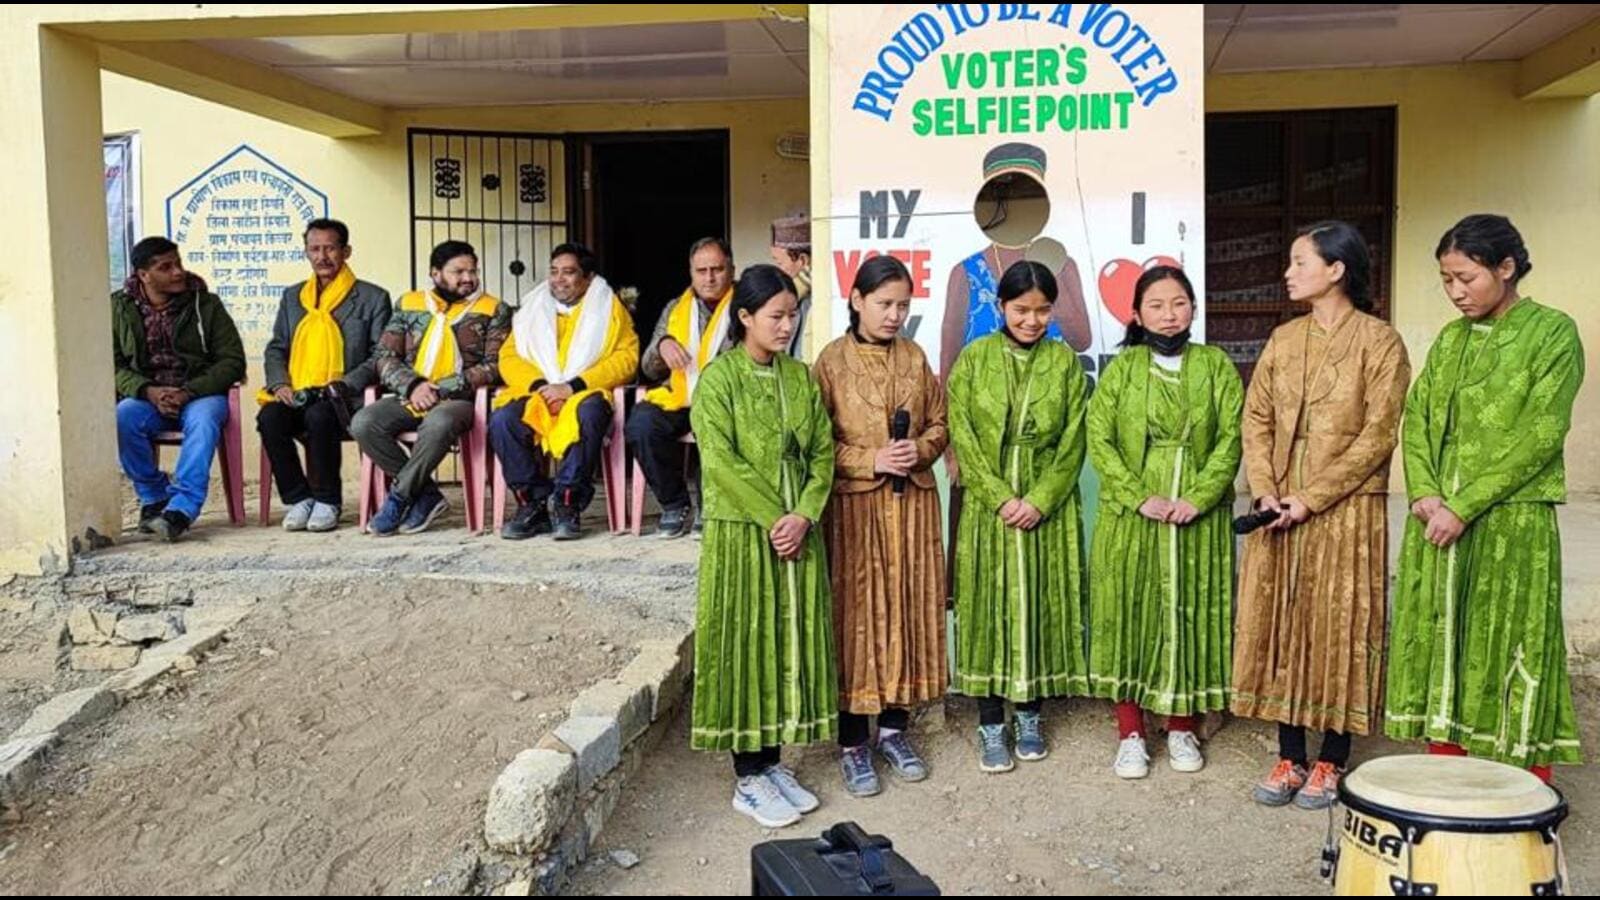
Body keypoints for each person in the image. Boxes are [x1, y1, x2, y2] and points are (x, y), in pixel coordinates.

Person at [1386, 214, 1584, 782]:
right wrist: (1423, 490)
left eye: (1466, 278)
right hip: (1435, 519)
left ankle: (1524, 788)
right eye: (1446, 280)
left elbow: (1542, 433)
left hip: (1511, 520)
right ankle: (1449, 779)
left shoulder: (1552, 332)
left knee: (1511, 641)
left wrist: (1463, 506)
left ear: (1505, 267)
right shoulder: (1449, 340)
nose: (1455, 293)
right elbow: (1418, 416)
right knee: (1443, 639)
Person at [1231, 221, 1410, 809]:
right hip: (1275, 506)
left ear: (1337, 270)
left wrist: (1310, 497)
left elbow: (1378, 434)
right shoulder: (1284, 339)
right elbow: (1255, 419)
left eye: (1299, 262)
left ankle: (1332, 758)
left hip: (1346, 507)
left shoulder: (1381, 342)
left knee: (1339, 625)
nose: (1288, 272)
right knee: (1281, 622)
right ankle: (1289, 753)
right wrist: (1265, 489)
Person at [689, 264, 837, 829]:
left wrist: (804, 514)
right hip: (745, 535)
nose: (786, 325)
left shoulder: (799, 378)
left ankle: (773, 762)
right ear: (745, 317)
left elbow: (822, 452)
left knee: (787, 640)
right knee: (748, 639)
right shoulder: (719, 381)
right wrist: (777, 518)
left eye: (792, 315)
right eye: (775, 316)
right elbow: (721, 463)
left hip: (796, 532)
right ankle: (747, 776)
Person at [1086, 265, 1242, 779]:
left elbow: (1232, 438)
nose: (1169, 315)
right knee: (1131, 610)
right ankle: (1130, 731)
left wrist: (1199, 496)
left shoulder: (1216, 366)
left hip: (1198, 515)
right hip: (1134, 515)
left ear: (1194, 309)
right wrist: (1137, 497)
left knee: (1190, 610)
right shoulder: (1122, 370)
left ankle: (1181, 726)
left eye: (1179, 303)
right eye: (1156, 305)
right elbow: (1100, 440)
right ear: (1136, 313)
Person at [812, 255, 949, 797]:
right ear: (856, 300)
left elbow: (940, 423)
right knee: (858, 615)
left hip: (911, 507)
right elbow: (818, 441)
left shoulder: (915, 359)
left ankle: (895, 730)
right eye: (885, 304)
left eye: (903, 306)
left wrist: (918, 449)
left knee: (909, 607)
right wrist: (871, 460)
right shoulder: (830, 363)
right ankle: (852, 743)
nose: (894, 315)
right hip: (855, 509)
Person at [947, 260, 1089, 773]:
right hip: (991, 511)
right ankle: (990, 722)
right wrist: (1002, 497)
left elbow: (1075, 439)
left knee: (1036, 604)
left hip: (1044, 509)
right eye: (1021, 309)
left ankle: (1029, 714)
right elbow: (962, 433)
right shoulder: (974, 359)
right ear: (1001, 307)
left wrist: (1041, 499)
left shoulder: (1064, 363)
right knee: (987, 607)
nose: (1032, 320)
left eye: (1042, 310)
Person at [351, 240, 508, 535]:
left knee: (438, 422)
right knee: (364, 422)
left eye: (472, 271)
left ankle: (398, 499)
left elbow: (495, 365)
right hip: (410, 394)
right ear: (435, 274)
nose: (468, 278)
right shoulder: (409, 304)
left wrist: (440, 388)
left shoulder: (493, 309)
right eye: (458, 271)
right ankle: (426, 495)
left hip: (461, 400)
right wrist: (413, 386)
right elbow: (384, 357)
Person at [491, 243, 638, 540]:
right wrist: (539, 387)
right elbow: (509, 357)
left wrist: (572, 387)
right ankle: (531, 504)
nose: (559, 279)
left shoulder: (609, 309)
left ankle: (567, 502)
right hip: (538, 393)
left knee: (589, 412)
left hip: (585, 392)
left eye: (569, 272)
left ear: (587, 278)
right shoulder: (531, 309)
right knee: (503, 420)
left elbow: (627, 359)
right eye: (554, 271)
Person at [257, 218, 393, 532]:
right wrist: (280, 383)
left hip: (344, 397)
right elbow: (277, 347)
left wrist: (343, 384)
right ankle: (299, 498)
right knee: (271, 419)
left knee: (320, 415)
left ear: (346, 251)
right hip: (299, 391)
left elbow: (380, 356)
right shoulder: (293, 297)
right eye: (314, 249)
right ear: (306, 252)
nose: (322, 257)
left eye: (330, 248)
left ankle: (327, 501)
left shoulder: (372, 298)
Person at [113, 236, 246, 542]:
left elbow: (232, 361)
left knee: (203, 421)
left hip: (200, 394)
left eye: (178, 263)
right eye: (166, 267)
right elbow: (112, 364)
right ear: (143, 275)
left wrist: (188, 391)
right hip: (148, 397)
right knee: (123, 417)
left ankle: (182, 508)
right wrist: (147, 391)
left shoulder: (205, 304)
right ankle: (154, 497)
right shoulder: (118, 308)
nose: (178, 272)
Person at [625, 237, 735, 537]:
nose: (709, 278)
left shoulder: (744, 307)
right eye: (701, 270)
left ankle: (708, 505)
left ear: (731, 269)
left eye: (717, 269)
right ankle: (674, 503)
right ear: (691, 272)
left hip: (727, 400)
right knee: (641, 425)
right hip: (679, 397)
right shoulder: (677, 308)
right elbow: (647, 368)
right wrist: (664, 346)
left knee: (714, 423)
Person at [768, 213, 813, 359]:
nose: (778, 270)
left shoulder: (815, 300)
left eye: (780, 263)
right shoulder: (796, 296)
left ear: (803, 260)